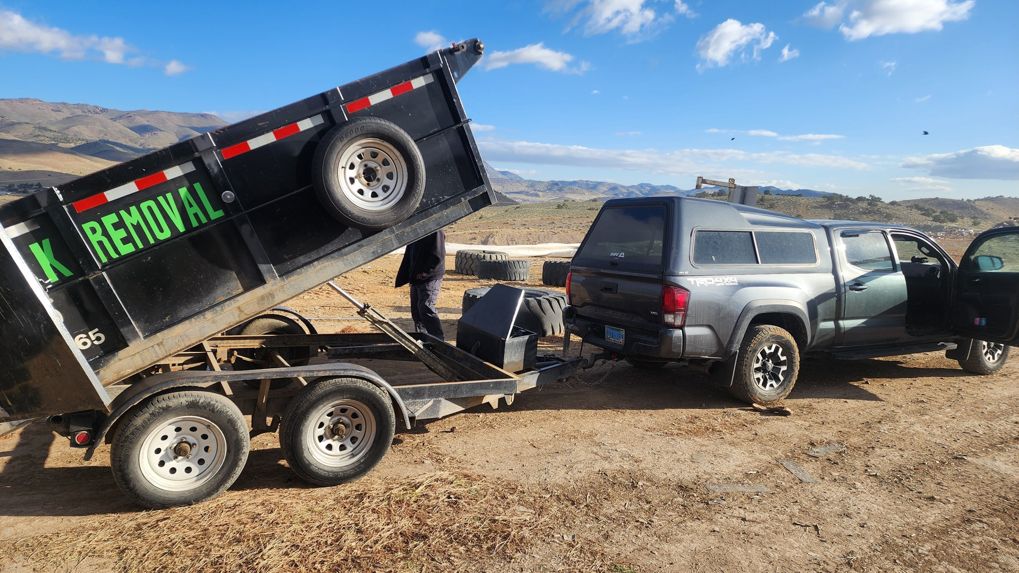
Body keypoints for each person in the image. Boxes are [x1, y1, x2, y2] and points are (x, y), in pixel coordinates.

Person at [395, 230, 446, 340]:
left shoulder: (435, 230)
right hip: (416, 276)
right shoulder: (416, 230)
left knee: (426, 307)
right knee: (417, 311)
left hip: (429, 277)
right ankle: (422, 339)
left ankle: (438, 340)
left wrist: (425, 272)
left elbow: (438, 254)